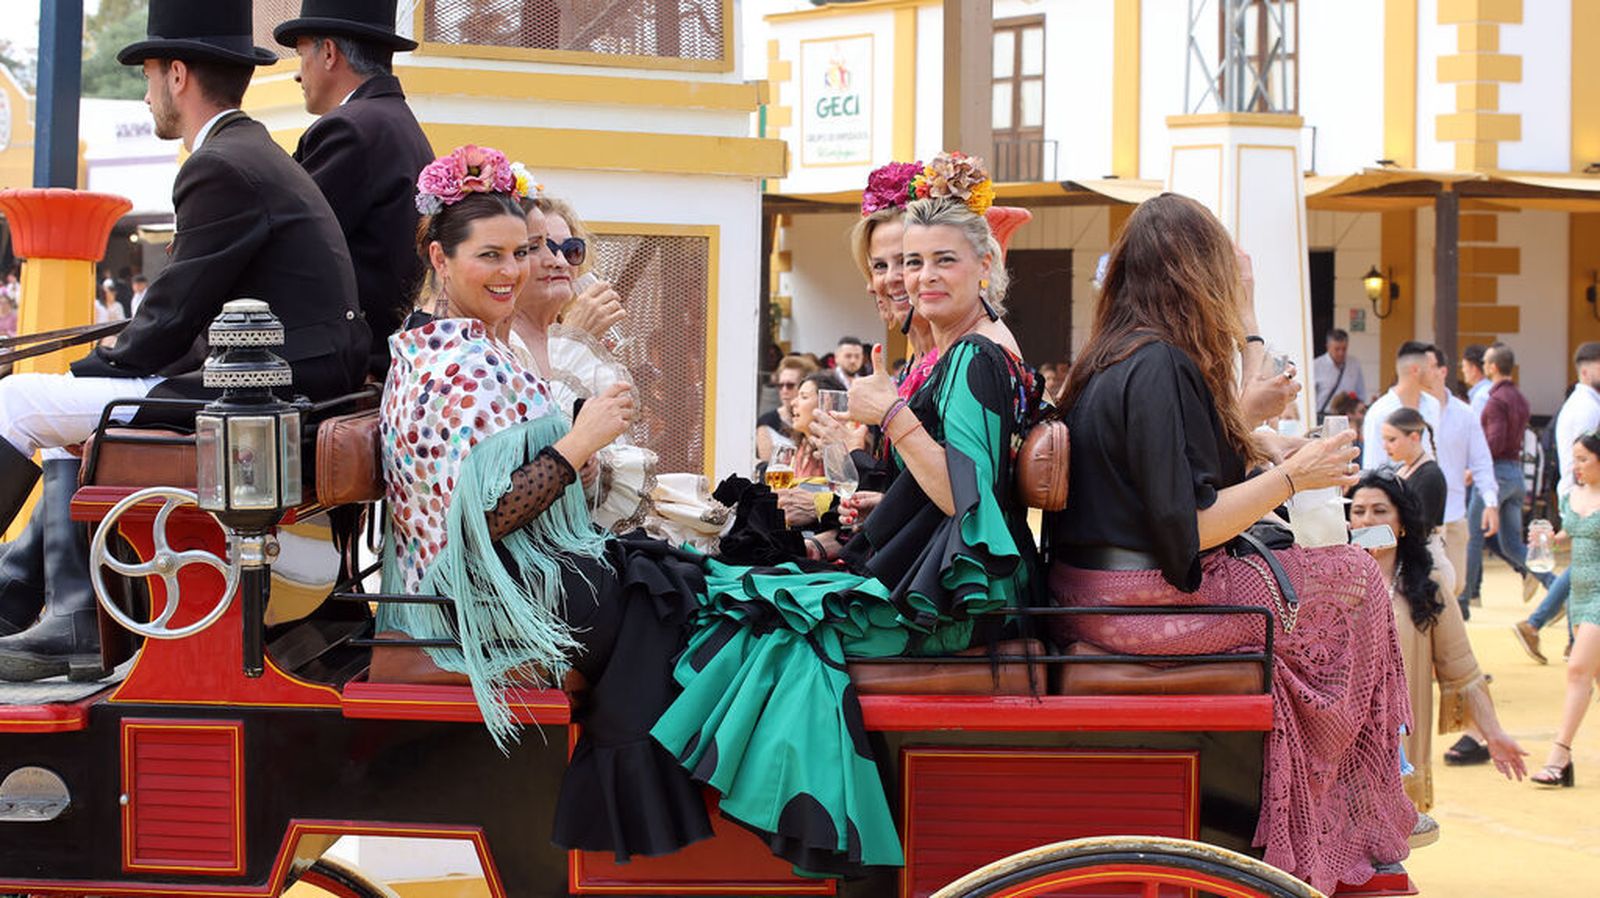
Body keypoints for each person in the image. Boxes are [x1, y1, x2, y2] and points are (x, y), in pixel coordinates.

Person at [381, 147, 1040, 876]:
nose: (515, 269)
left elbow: (962, 496)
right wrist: (579, 446)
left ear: (985, 264)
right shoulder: (462, 360)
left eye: (526, 251)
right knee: (702, 594)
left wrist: (581, 450)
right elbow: (483, 516)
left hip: (525, 578)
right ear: (442, 260)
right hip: (497, 591)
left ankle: (727, 819)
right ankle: (705, 812)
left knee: (713, 596)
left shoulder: (469, 350)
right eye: (497, 256)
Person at [1047, 193, 1413, 893]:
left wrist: (1266, 443)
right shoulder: (1160, 365)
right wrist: (1289, 476)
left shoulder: (1109, 356)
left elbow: (1187, 478)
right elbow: (1191, 524)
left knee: (1320, 585)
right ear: (1199, 274)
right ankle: (1352, 803)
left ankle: (1330, 795)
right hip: (1146, 602)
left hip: (1086, 592)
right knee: (1355, 577)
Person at [0, 0, 369, 682]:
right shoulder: (253, 154)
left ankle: (73, 614)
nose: (146, 95)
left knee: (17, 403)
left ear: (175, 75)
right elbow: (182, 314)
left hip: (259, 394)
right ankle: (61, 604)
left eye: (145, 77)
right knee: (51, 414)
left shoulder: (220, 165)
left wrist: (88, 373)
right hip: (287, 382)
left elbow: (166, 319)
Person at [507, 188, 727, 551]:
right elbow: (536, 448)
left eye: (570, 250)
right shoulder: (503, 344)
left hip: (586, 539)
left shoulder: (580, 345)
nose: (558, 261)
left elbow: (609, 457)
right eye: (537, 247)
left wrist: (595, 471)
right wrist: (574, 339)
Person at [1347, 470, 1527, 817]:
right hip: (1339, 741)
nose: (1367, 519)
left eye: (1380, 511)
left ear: (1401, 523)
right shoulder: (1332, 582)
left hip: (1400, 743)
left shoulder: (1427, 587)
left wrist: (1494, 734)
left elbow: (1460, 668)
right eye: (1358, 511)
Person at [276, 0, 434, 378]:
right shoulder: (393, 121)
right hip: (386, 352)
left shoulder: (351, 128)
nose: (299, 76)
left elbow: (286, 244)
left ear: (328, 52)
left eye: (301, 56)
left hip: (352, 366)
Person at [1515, 342, 1600, 664]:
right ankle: (1541, 625)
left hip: (1579, 490)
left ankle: (1563, 636)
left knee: (1584, 562)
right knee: (1584, 562)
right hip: (1584, 492)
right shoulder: (1588, 408)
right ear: (1586, 370)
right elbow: (1587, 457)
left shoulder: (1582, 403)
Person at [1530, 431, 1600, 788]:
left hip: (1599, 599)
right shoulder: (1572, 495)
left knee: (1577, 672)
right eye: (1575, 459)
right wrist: (1545, 541)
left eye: (1584, 459)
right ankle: (1564, 760)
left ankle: (1559, 754)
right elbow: (1570, 537)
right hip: (1580, 594)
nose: (1577, 466)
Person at [1418, 345, 1499, 621]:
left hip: (1453, 514)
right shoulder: (1407, 413)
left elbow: (1481, 460)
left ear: (1442, 371)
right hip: (1416, 517)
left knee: (1456, 586)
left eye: (1427, 365)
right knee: (1421, 590)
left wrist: (1490, 501)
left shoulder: (1465, 414)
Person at [1472, 343, 1551, 604]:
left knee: (1473, 532)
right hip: (1516, 474)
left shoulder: (1496, 401)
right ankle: (1554, 583)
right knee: (1511, 544)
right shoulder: (1519, 398)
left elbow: (1494, 441)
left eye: (1485, 363)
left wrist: (1476, 468)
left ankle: (1466, 598)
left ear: (1493, 367)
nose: (1483, 367)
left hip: (1497, 474)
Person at [1381, 407, 1453, 596]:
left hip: (1428, 566)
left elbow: (1417, 529)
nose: (1385, 446)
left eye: (1392, 439)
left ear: (1414, 437)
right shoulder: (1402, 469)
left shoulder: (1430, 476)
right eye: (1385, 439)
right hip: (1409, 562)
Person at [1362, 341, 1441, 470]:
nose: (1437, 373)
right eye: (1433, 367)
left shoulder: (1433, 406)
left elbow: (1434, 454)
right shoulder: (1380, 412)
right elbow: (1373, 470)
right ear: (1415, 370)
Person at [757, 354, 814, 463]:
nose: (784, 390)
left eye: (790, 385)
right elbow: (767, 467)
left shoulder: (812, 420)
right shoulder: (766, 422)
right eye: (780, 385)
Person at [1314, 328, 1366, 419]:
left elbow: (1360, 394)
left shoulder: (1354, 364)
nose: (1341, 353)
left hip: (1348, 417)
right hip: (1324, 416)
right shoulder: (1316, 365)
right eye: (1337, 349)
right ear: (1328, 347)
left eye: (1344, 349)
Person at [1461, 343, 1491, 414]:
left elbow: (1477, 424)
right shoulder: (1492, 388)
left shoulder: (1480, 398)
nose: (1462, 370)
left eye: (1464, 366)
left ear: (1474, 369)